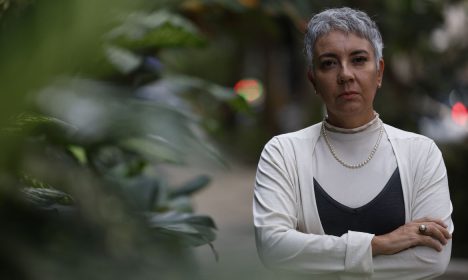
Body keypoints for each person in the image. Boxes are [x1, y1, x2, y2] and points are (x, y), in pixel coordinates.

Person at [253, 7, 453, 279]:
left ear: (379, 72)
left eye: (358, 60)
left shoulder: (421, 153)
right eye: (329, 63)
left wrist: (321, 263)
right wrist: (380, 244)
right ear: (313, 79)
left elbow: (432, 260)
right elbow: (273, 249)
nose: (345, 74)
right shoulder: (282, 153)